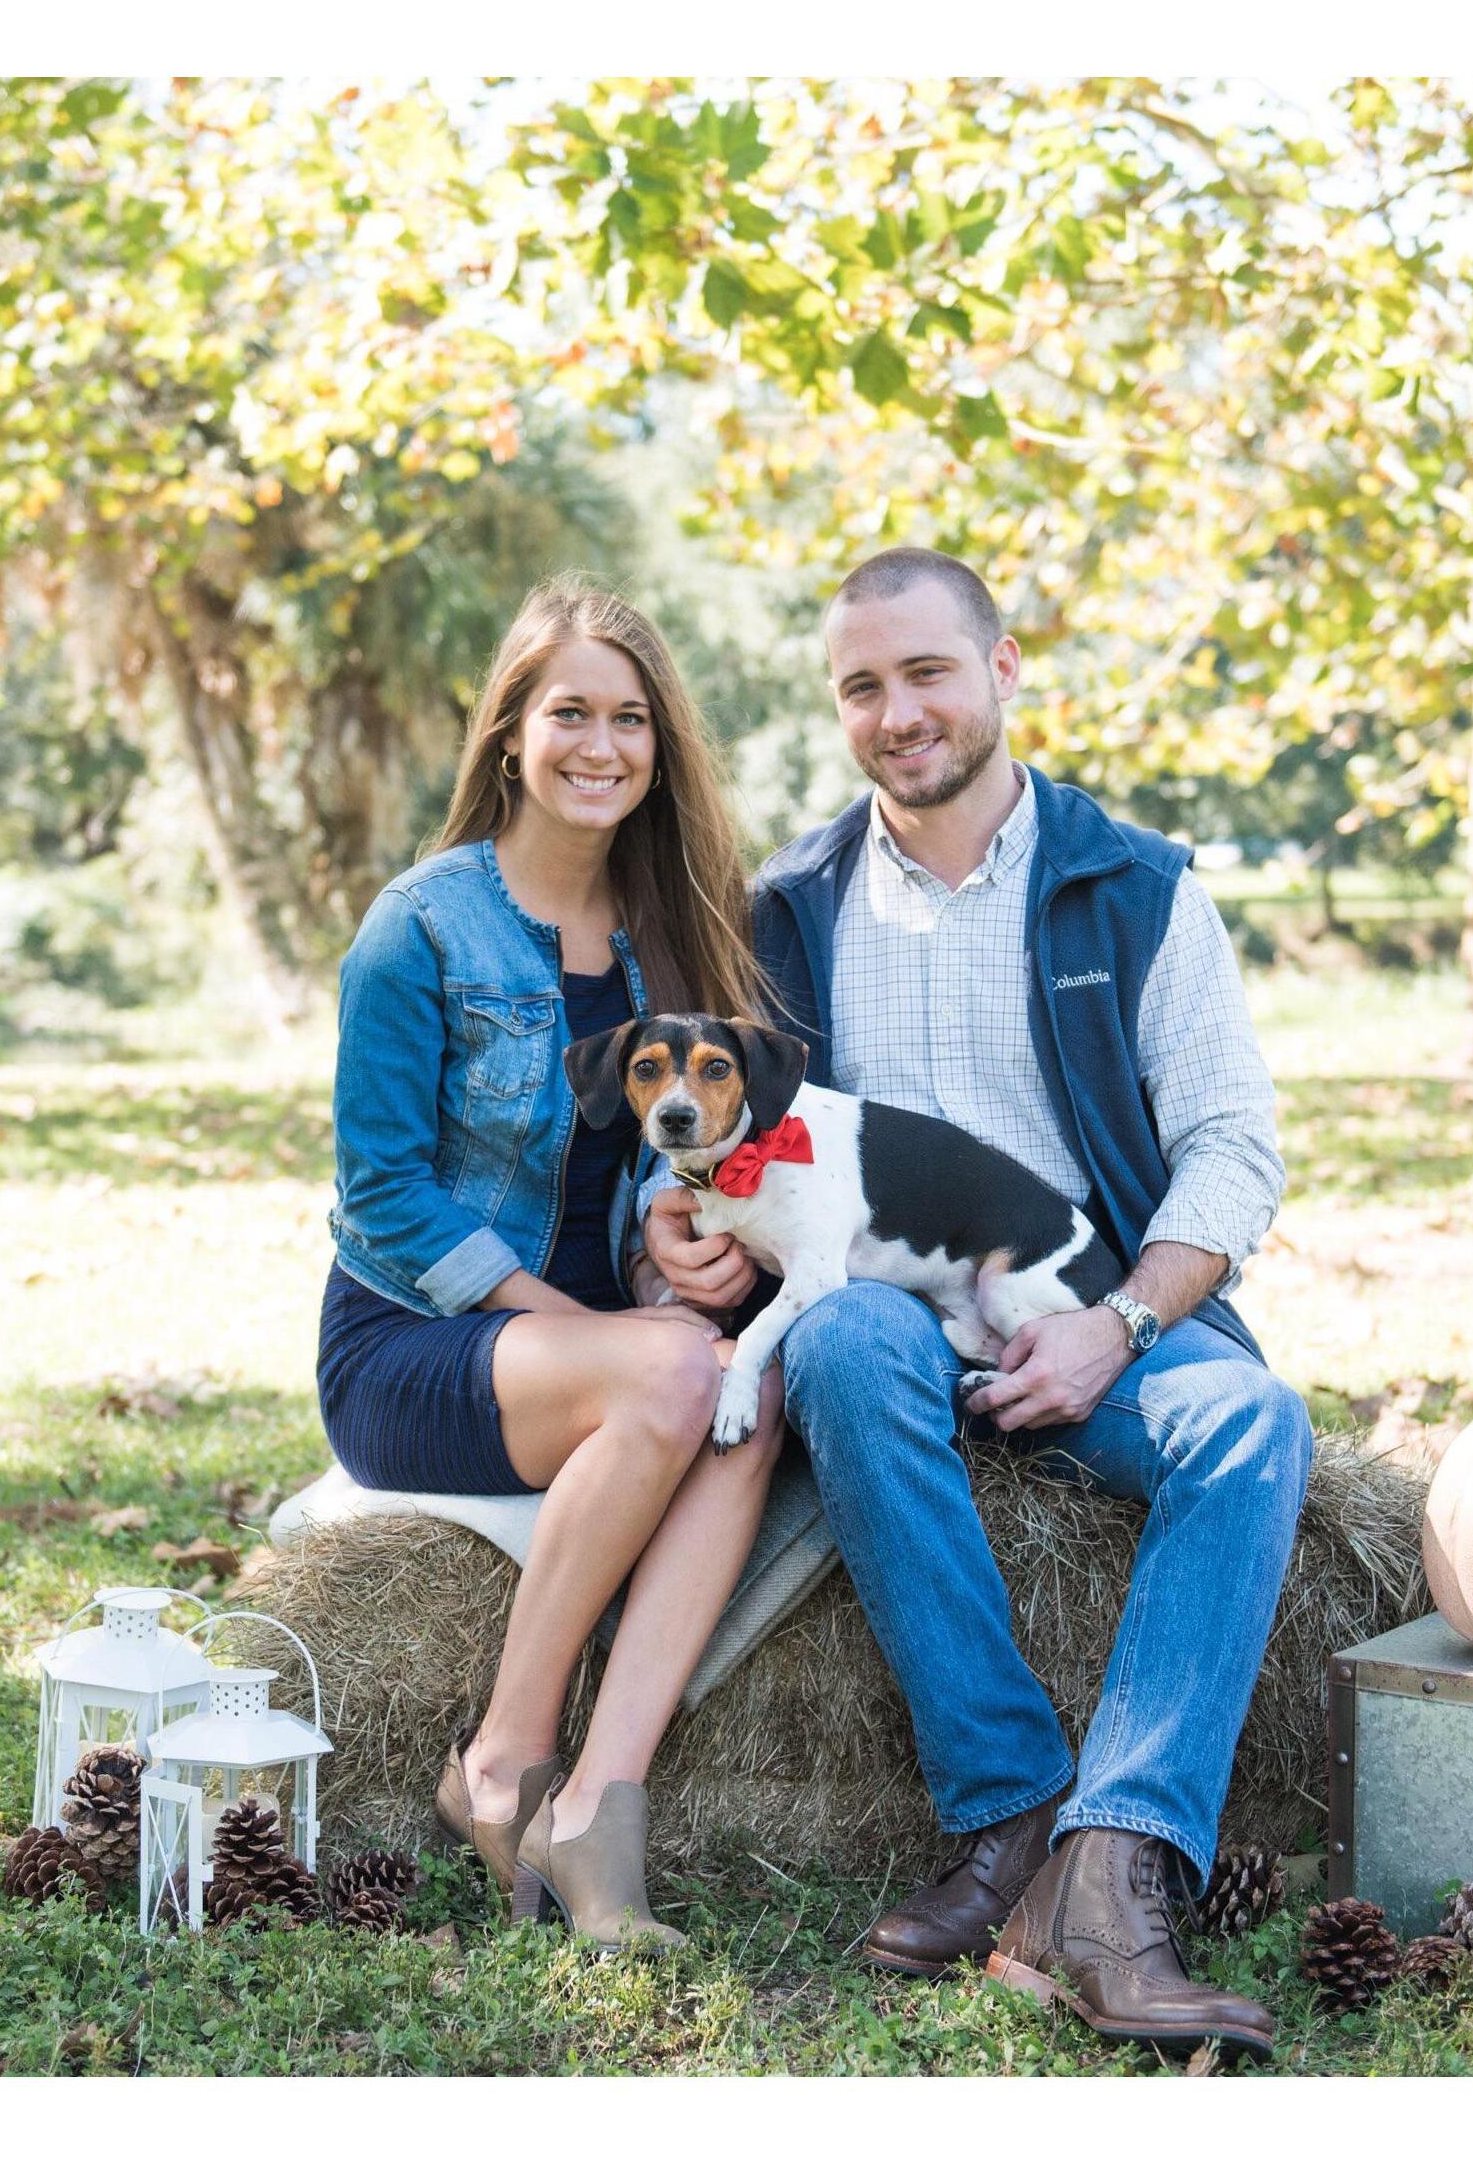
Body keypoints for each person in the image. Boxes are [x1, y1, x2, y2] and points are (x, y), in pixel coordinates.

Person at [644, 548, 1312, 2057]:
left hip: (1091, 1299)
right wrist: (666, 1237)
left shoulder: (1134, 889)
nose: (897, 713)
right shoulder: (784, 910)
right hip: (883, 1317)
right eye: (861, 687)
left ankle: (1111, 1870)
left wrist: (1120, 1324)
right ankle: (1008, 1811)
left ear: (1002, 669)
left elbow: (1232, 1149)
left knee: (1253, 1423)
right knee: (844, 1335)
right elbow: (688, 1111)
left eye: (927, 672)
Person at [321, 575, 785, 1948]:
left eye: (630, 719)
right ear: (510, 731)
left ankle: (595, 1807)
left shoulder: (676, 931)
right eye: (570, 712)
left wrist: (671, 1244)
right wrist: (592, 1326)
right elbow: (384, 1193)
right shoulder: (419, 926)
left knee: (743, 1394)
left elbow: (675, 1151)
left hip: (601, 1345)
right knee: (675, 1376)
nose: (601, 745)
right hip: (417, 1344)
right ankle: (504, 1760)